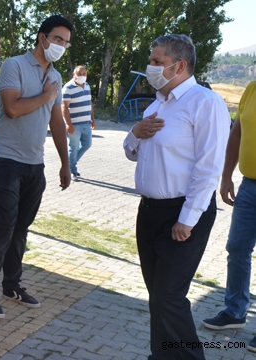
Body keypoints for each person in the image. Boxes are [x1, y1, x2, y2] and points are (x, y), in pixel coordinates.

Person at [123, 34, 230, 360]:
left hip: (183, 214)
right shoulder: (158, 103)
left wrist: (187, 218)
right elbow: (131, 152)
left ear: (179, 65)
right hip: (150, 211)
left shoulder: (204, 102)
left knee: (169, 296)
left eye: (156, 62)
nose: (150, 67)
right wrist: (134, 133)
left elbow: (209, 167)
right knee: (157, 295)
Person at [0, 15, 72, 320]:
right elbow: (13, 108)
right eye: (57, 39)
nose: (61, 46)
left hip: (35, 164)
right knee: (3, 228)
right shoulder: (14, 66)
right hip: (6, 161)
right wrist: (47, 95)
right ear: (42, 37)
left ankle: (11, 285)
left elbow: (56, 121)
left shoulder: (55, 76)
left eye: (66, 42)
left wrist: (65, 164)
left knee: (21, 229)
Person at [201, 81, 256, 353]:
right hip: (250, 186)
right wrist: (226, 177)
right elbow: (237, 132)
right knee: (237, 248)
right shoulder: (252, 89)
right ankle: (235, 311)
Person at [62, 65, 95, 180]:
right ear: (73, 74)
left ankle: (70, 163)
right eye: (79, 74)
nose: (82, 76)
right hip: (74, 125)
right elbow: (64, 107)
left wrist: (93, 119)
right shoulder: (68, 88)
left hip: (86, 123)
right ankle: (72, 170)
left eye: (84, 74)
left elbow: (89, 103)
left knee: (87, 144)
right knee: (73, 147)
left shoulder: (87, 86)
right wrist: (68, 124)